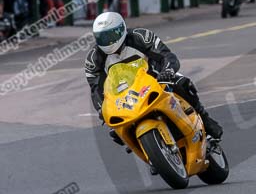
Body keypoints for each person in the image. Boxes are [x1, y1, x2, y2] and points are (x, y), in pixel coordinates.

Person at [84, 11, 223, 144]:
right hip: (123, 95)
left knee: (183, 84)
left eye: (110, 36)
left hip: (156, 79)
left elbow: (166, 55)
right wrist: (102, 111)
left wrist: (167, 70)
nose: (107, 42)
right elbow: (96, 89)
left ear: (120, 30)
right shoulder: (93, 59)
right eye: (102, 38)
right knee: (116, 132)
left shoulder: (140, 36)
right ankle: (149, 152)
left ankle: (206, 121)